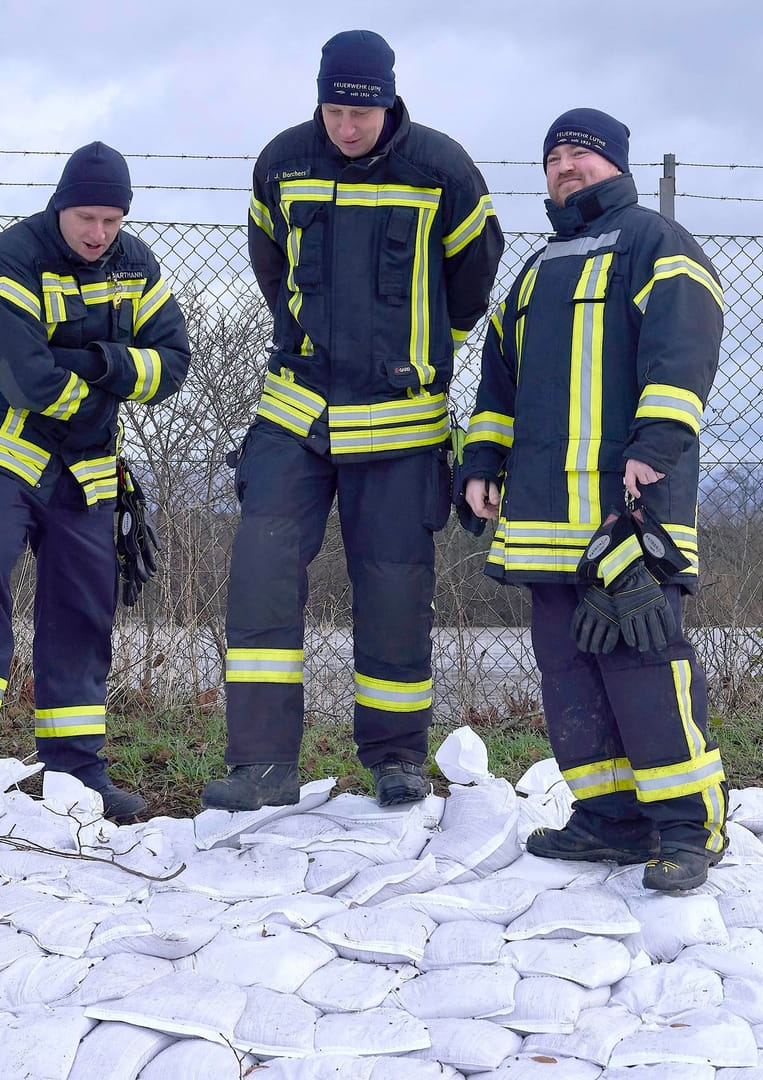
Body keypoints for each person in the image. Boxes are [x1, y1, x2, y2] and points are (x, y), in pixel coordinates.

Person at [203, 30, 504, 811]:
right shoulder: (281, 162)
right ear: (320, 100)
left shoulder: (443, 171)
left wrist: (422, 347)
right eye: (335, 110)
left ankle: (397, 757)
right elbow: (272, 265)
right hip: (294, 412)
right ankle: (261, 765)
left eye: (361, 115)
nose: (346, 128)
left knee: (395, 587)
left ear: (390, 103)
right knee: (262, 576)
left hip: (401, 424)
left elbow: (473, 279)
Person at [456, 108, 727, 891]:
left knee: (646, 668)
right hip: (541, 522)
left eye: (580, 153)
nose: (565, 166)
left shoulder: (657, 244)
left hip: (628, 513)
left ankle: (687, 826)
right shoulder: (535, 272)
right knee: (568, 672)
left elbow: (683, 355)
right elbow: (497, 385)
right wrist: (482, 461)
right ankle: (610, 821)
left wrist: (655, 450)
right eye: (553, 157)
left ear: (615, 163)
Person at [0, 142, 192, 823]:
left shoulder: (137, 265)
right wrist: (110, 386)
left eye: (111, 220)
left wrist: (96, 359)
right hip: (5, 453)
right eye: (87, 218)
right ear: (61, 206)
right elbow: (23, 377)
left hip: (89, 468)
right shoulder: (9, 258)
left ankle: (76, 771)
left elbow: (173, 364)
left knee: (82, 608)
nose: (99, 234)